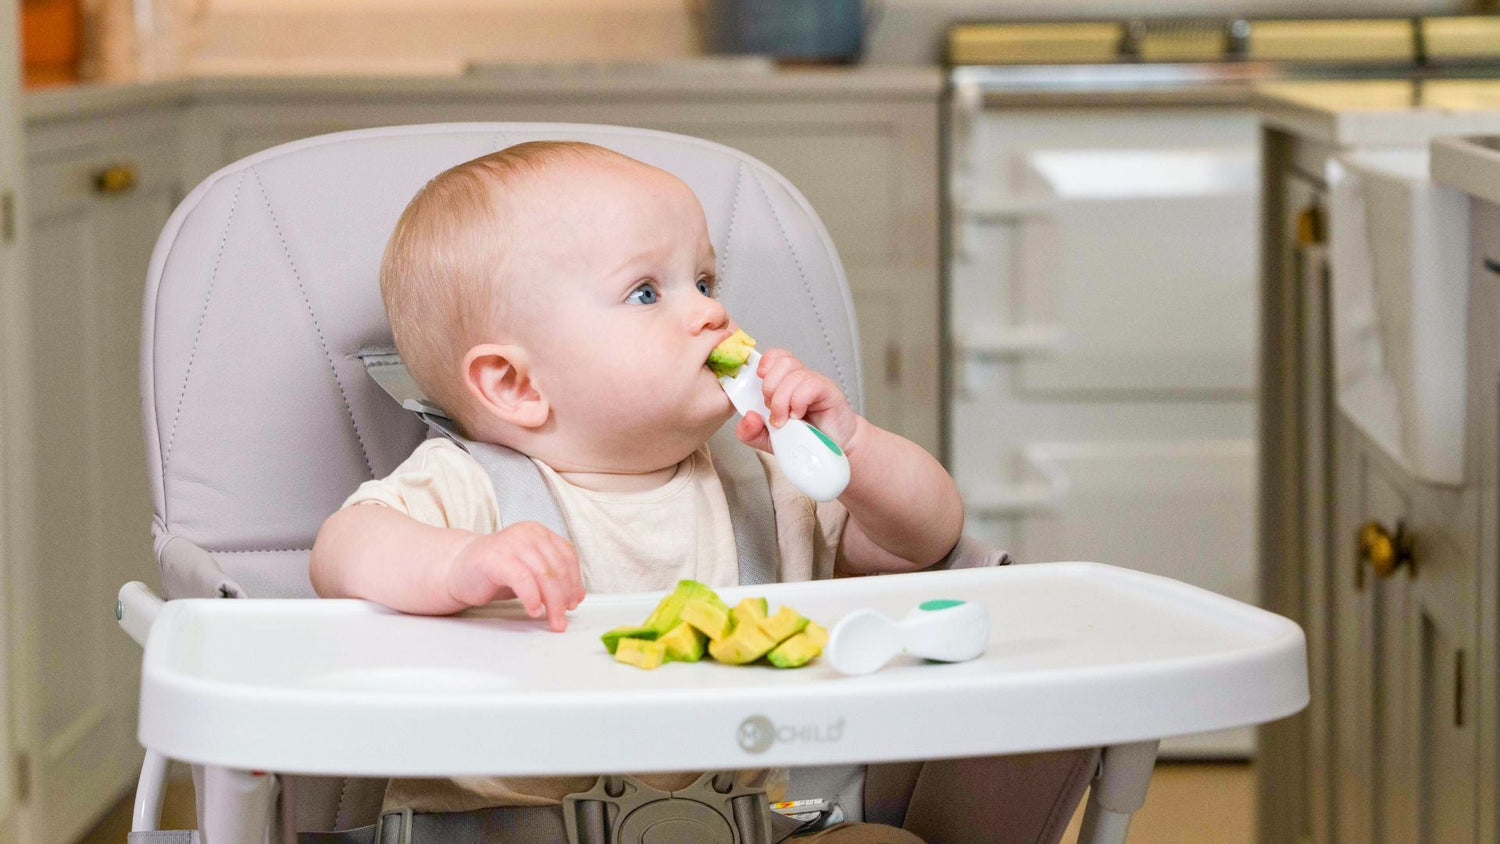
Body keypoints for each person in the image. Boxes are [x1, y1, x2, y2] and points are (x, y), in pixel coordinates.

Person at [309, 140, 964, 843]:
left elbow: (924, 540)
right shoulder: (473, 491)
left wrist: (852, 449)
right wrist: (461, 564)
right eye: (647, 293)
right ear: (516, 385)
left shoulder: (768, 480)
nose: (711, 315)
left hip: (746, 827)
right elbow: (342, 552)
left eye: (706, 281)